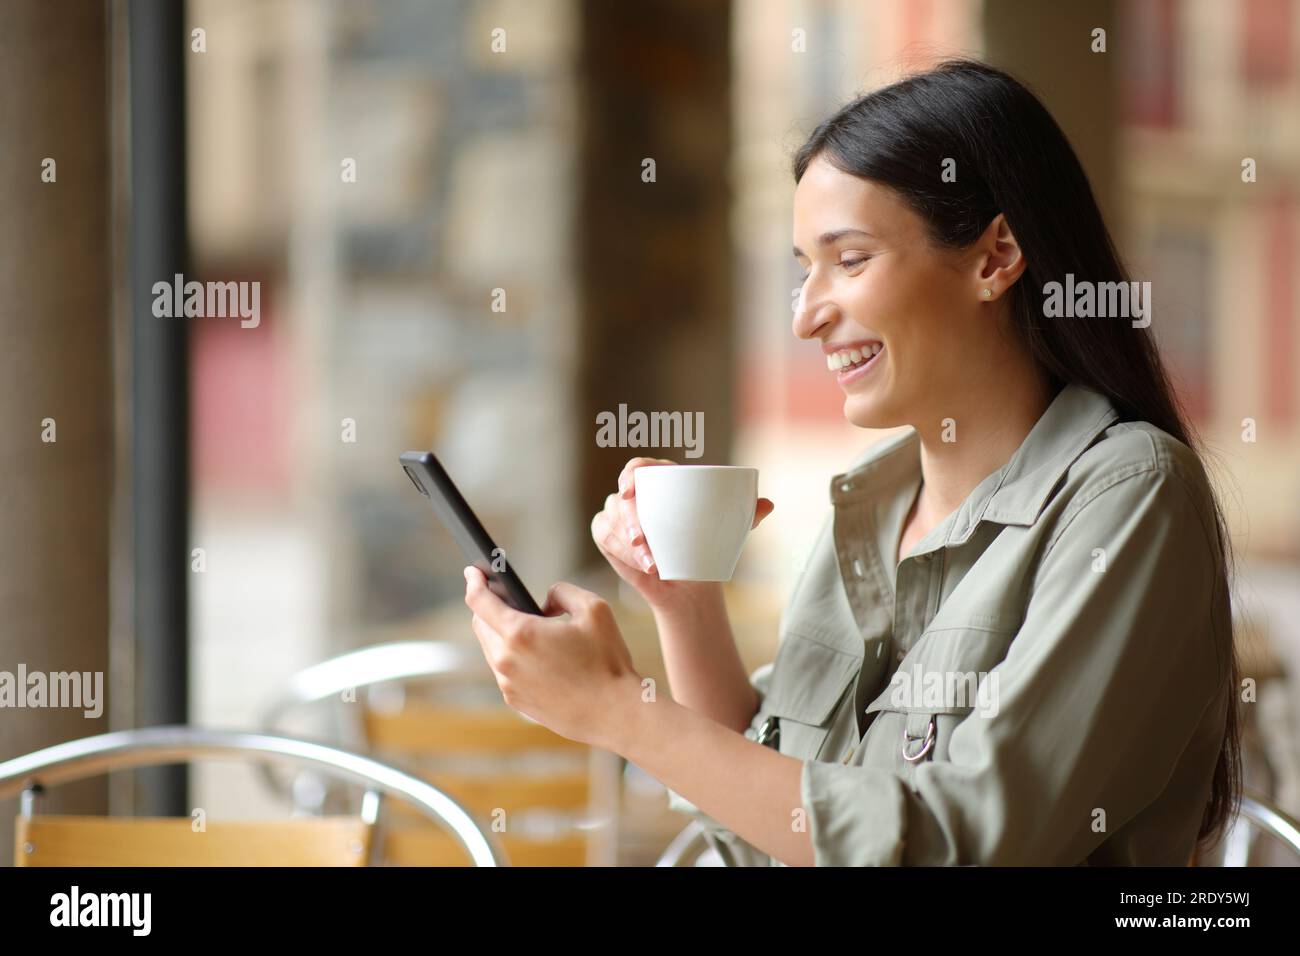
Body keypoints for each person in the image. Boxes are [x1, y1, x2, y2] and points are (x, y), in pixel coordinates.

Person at [462, 59, 1240, 866]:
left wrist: (621, 712)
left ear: (994, 257)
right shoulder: (873, 504)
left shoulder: (1128, 495)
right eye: (803, 270)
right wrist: (686, 607)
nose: (806, 316)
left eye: (852, 259)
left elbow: (961, 843)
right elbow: (777, 833)